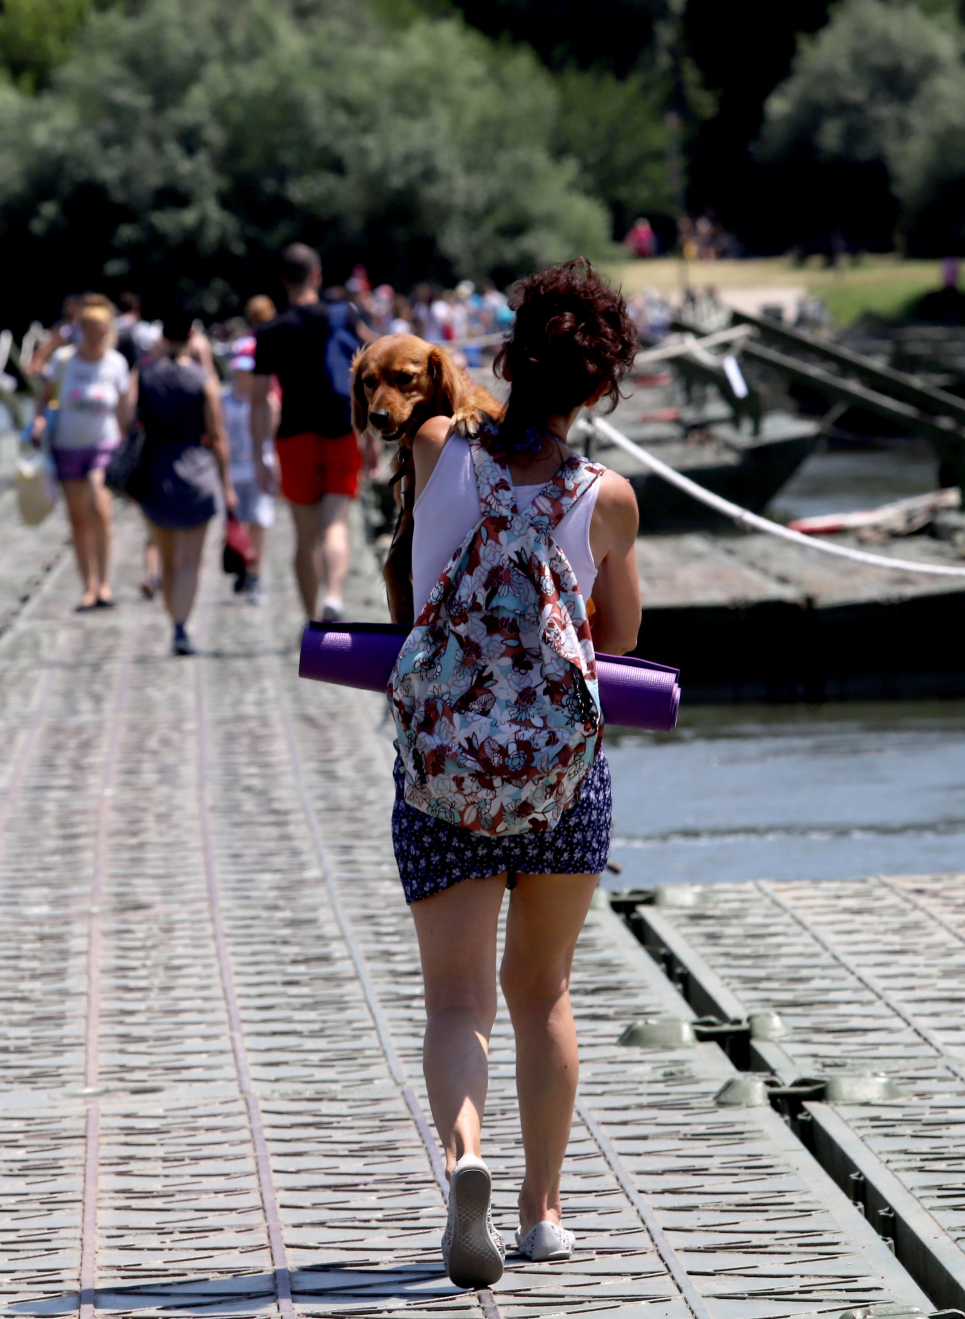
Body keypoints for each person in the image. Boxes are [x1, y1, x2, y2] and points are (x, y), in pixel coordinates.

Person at [393, 259, 641, 1288]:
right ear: (600, 388)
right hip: (558, 783)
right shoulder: (607, 498)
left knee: (456, 1003)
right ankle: (540, 1214)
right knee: (540, 993)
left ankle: (466, 1156)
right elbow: (617, 648)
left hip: (441, 771)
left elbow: (410, 569)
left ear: (506, 355)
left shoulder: (433, 447)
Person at [250, 243, 377, 622]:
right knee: (336, 523)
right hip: (341, 427)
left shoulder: (270, 331)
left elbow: (259, 400)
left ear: (283, 281)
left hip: (293, 434)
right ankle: (335, 596)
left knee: (305, 535)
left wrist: (259, 453)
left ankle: (312, 623)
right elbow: (370, 374)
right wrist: (369, 437)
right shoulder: (342, 314)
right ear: (317, 275)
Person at [120, 306, 234, 655]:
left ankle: (175, 619)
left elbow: (125, 418)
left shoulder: (145, 375)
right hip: (197, 473)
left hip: (155, 472)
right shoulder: (205, 381)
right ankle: (181, 627)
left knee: (166, 559)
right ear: (191, 336)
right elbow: (217, 436)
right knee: (190, 561)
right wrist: (227, 486)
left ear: (162, 336)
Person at [34, 296, 127, 610]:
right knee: (78, 518)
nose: (95, 336)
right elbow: (44, 398)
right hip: (67, 444)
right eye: (89, 329)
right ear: (80, 329)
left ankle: (105, 584)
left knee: (100, 506)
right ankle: (88, 586)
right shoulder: (63, 360)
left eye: (101, 330)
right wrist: (37, 422)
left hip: (104, 443)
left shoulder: (115, 363)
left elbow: (125, 407)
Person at [221, 335, 275, 603]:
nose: (244, 375)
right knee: (235, 528)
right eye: (240, 369)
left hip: (259, 470)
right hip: (231, 472)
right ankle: (242, 567)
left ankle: (255, 573)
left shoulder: (269, 402)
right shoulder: (223, 400)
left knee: (258, 523)